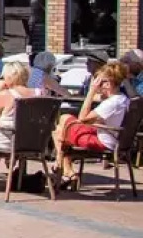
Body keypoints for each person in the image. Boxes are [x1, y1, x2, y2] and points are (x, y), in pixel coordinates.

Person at [53, 60, 131, 189]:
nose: (99, 84)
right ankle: (66, 170)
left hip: (104, 141)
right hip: (113, 137)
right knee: (62, 127)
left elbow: (82, 118)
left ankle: (64, 169)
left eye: (101, 81)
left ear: (108, 83)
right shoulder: (122, 98)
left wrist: (91, 91)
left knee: (61, 127)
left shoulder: (111, 103)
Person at [0, 61, 40, 186]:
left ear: (10, 77)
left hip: (7, 141)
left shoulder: (6, 95)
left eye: (3, 76)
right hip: (32, 142)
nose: (2, 78)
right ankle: (18, 173)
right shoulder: (39, 93)